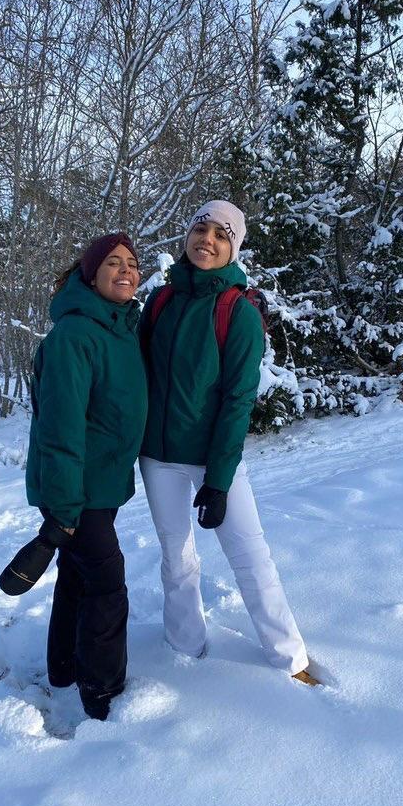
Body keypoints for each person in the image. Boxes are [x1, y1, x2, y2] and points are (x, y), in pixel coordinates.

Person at [139, 200, 319, 686]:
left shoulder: (236, 311)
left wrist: (217, 482)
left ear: (232, 247)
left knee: (250, 556)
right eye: (202, 228)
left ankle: (289, 658)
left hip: (213, 461)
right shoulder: (159, 301)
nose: (209, 239)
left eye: (223, 234)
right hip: (158, 459)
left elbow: (238, 400)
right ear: (187, 235)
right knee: (175, 557)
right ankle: (184, 644)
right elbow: (134, 376)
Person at [22, 233, 147, 720]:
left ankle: (64, 667)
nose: (126, 271)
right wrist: (64, 507)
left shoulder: (119, 329)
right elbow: (60, 428)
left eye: (132, 264)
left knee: (76, 576)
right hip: (78, 489)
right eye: (113, 263)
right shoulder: (75, 335)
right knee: (106, 585)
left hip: (102, 485)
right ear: (89, 274)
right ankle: (103, 693)